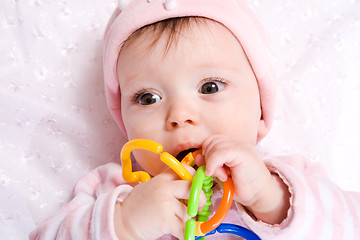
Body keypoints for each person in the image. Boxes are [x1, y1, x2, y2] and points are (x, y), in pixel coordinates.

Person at [30, 0, 360, 239]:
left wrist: (271, 201)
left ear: (260, 109)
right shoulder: (111, 191)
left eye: (210, 87)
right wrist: (124, 224)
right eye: (148, 98)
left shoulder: (289, 184)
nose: (180, 116)